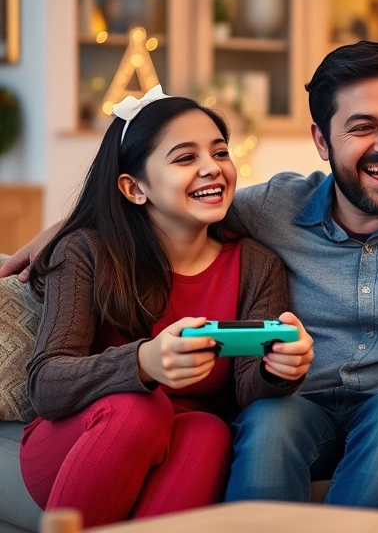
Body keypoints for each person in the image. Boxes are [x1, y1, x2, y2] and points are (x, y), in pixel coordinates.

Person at [4, 42, 378, 509]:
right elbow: (165, 208)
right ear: (321, 141)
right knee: (266, 422)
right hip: (295, 406)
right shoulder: (271, 209)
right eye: (363, 127)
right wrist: (64, 231)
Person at [18, 87, 314, 528]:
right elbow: (46, 382)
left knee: (211, 431)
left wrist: (277, 369)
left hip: (184, 440)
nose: (212, 168)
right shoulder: (86, 252)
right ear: (134, 188)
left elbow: (248, 391)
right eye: (184, 158)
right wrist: (143, 362)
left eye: (219, 152)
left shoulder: (255, 263)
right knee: (143, 407)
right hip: (80, 438)